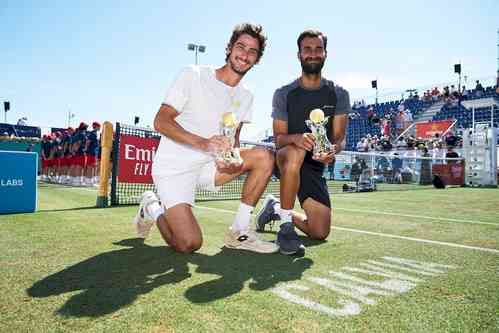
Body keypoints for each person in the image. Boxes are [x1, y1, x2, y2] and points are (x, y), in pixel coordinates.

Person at [132, 23, 278, 254]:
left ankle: (239, 232)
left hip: (210, 167)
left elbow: (234, 138)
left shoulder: (247, 95)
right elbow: (161, 121)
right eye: (241, 46)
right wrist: (203, 143)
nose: (245, 54)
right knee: (188, 244)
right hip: (174, 168)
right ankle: (152, 207)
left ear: (257, 59)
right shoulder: (193, 74)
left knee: (265, 157)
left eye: (252, 51)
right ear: (229, 48)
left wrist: (230, 158)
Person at [256, 29, 350, 255]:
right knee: (295, 152)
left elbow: (339, 138)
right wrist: (298, 138)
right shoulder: (284, 93)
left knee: (319, 232)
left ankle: (275, 208)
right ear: (299, 55)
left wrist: (332, 150)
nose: (313, 54)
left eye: (318, 49)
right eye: (307, 49)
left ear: (325, 54)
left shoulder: (339, 94)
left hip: (315, 166)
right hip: (287, 158)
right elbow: (279, 139)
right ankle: (286, 228)